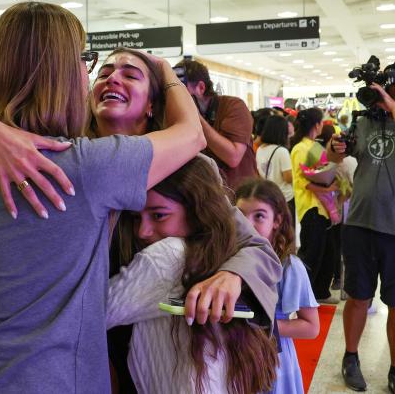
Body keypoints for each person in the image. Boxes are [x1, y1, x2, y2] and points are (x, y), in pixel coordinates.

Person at [0, 1, 206, 393]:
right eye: (86, 60)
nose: (91, 73)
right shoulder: (85, 165)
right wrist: (165, 72)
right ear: (63, 71)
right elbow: (192, 133)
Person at [90, 48, 282, 392]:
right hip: (87, 351)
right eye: (103, 73)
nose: (113, 78)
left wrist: (232, 275)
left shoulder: (190, 167)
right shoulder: (71, 161)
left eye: (131, 74)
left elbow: (255, 246)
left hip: (158, 350)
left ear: (153, 103)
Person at [106, 157, 279, 394]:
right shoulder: (219, 250)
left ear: (198, 210)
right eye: (136, 218)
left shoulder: (165, 257)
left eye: (159, 215)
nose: (142, 232)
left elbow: (84, 316)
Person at [329, 56, 395, 393]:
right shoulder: (367, 121)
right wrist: (335, 148)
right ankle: (351, 356)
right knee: (358, 297)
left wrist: (388, 102)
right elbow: (337, 156)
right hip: (360, 223)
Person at [236, 178, 319, 394]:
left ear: (277, 220)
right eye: (240, 215)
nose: (247, 224)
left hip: (273, 360)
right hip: (234, 358)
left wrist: (262, 325)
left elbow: (311, 327)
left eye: (259, 216)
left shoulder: (289, 267)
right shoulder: (226, 260)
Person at [173, 59, 258, 190]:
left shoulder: (233, 106)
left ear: (201, 87)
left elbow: (233, 157)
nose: (178, 97)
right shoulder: (180, 115)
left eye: (182, 91)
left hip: (241, 196)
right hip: (209, 195)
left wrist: (196, 117)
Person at [290, 107, 339, 304]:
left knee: (327, 252)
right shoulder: (300, 148)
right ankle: (302, 295)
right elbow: (302, 180)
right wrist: (327, 188)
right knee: (312, 253)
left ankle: (320, 291)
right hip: (311, 207)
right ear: (317, 124)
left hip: (324, 207)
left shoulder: (315, 146)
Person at [256, 115, 294, 222]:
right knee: (287, 230)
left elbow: (260, 174)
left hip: (269, 196)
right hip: (285, 198)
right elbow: (288, 178)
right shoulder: (282, 151)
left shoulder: (260, 149)